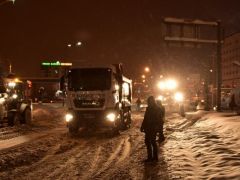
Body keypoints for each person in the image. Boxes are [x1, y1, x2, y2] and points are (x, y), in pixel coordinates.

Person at [141, 96, 162, 162]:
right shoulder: (148, 108)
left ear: (153, 101)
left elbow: (159, 119)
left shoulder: (157, 109)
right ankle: (150, 157)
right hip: (148, 127)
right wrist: (142, 126)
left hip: (153, 127)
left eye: (151, 101)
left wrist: (158, 128)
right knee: (147, 142)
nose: (150, 102)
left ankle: (155, 157)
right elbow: (145, 118)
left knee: (153, 141)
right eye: (149, 101)